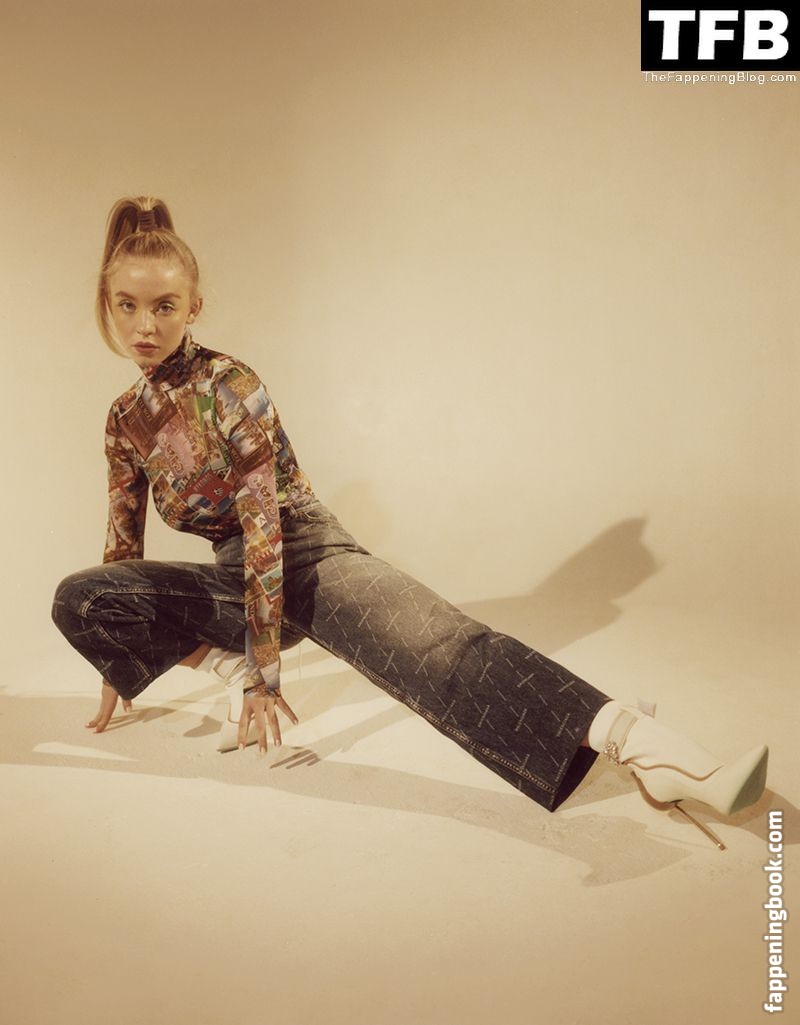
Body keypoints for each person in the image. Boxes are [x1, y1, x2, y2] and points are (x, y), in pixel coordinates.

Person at [51, 195, 768, 851]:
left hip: (304, 554)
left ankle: (654, 752)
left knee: (445, 649)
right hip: (237, 583)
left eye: (165, 306)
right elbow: (122, 546)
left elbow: (266, 530)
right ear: (107, 305)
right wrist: (116, 658)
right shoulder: (123, 419)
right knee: (81, 596)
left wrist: (265, 675)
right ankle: (230, 657)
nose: (145, 325)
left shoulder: (231, 386)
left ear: (194, 306)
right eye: (128, 306)